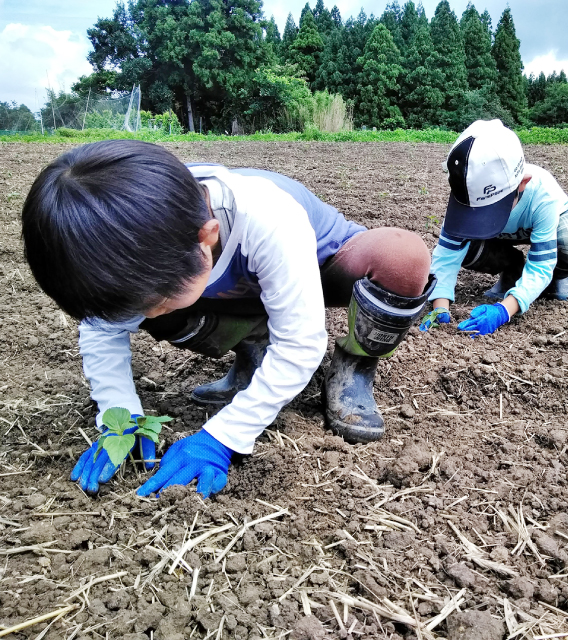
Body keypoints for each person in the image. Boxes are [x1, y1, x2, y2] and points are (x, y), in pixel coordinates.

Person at [22, 140, 433, 498]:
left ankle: (354, 365)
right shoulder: (127, 246)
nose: (141, 319)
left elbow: (301, 341)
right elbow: (102, 332)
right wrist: (119, 416)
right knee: (151, 309)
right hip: (237, 293)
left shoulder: (265, 216)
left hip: (323, 272)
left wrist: (223, 437)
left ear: (208, 237)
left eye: (155, 299)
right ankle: (253, 352)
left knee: (402, 257)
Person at [420, 119, 568, 337]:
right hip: (500, 237)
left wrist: (504, 311)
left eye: (491, 209)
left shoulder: (543, 195)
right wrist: (440, 307)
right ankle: (513, 267)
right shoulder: (467, 190)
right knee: (467, 245)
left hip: (553, 228)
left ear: (522, 183)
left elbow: (541, 264)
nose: (481, 214)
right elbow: (447, 254)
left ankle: (561, 276)